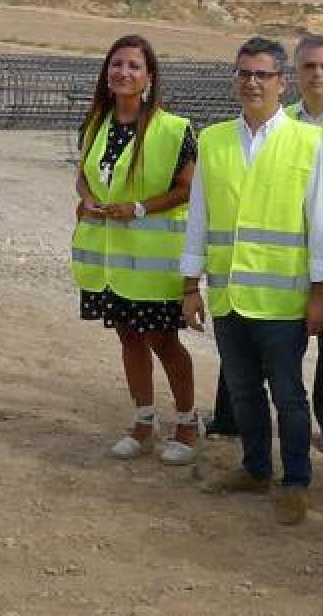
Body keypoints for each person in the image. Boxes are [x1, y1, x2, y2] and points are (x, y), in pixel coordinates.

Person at [181, 37, 323, 526]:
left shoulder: (307, 143)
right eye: (244, 73)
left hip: (283, 300)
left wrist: (319, 293)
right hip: (229, 296)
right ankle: (254, 467)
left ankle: (295, 481)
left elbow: (321, 224)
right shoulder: (214, 140)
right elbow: (200, 217)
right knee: (243, 391)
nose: (251, 83)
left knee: (288, 396)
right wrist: (190, 285)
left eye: (262, 76)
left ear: (280, 83)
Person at [206, 35, 323, 454]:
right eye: (309, 66)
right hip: (275, 261)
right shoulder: (282, 121)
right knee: (248, 340)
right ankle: (229, 418)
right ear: (293, 76)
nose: (317, 74)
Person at [70, 34, 200, 465]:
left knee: (163, 340)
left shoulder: (174, 129)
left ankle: (186, 422)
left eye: (133, 66)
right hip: (110, 260)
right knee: (128, 337)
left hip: (154, 265)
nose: (123, 72)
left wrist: (140, 208)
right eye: (117, 64)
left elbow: (188, 189)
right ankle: (144, 421)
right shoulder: (94, 124)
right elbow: (85, 175)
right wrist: (88, 197)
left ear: (149, 78)